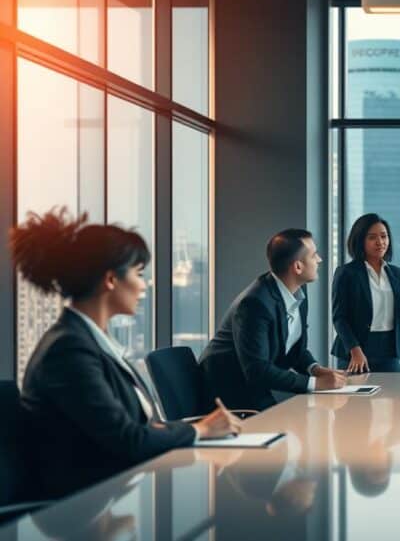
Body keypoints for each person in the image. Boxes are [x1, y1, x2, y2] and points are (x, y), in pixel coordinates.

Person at [12, 209, 242, 499]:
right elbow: (127, 439)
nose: (144, 285)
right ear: (110, 279)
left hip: (117, 491)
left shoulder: (92, 342)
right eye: (139, 274)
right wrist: (201, 430)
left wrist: (200, 427)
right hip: (84, 504)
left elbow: (136, 427)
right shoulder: (68, 350)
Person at [199, 229, 346, 411]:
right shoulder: (255, 303)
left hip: (254, 385)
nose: (319, 259)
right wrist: (315, 383)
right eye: (314, 255)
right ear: (297, 267)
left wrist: (315, 369)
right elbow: (257, 370)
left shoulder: (298, 292)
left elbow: (295, 349)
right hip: (228, 391)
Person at [331, 214, 400, 373]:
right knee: (357, 391)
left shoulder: (395, 273)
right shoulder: (346, 273)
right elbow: (339, 318)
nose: (380, 242)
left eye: (384, 236)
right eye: (372, 237)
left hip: (389, 353)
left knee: (394, 389)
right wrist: (355, 350)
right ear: (360, 241)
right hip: (356, 353)